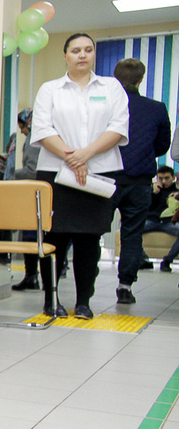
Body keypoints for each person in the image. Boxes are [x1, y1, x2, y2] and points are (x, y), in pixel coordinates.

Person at [31, 33, 129, 319]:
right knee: (54, 238)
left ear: (94, 54)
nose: (82, 55)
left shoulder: (111, 87)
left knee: (89, 240)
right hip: (55, 172)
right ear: (65, 55)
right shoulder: (50, 89)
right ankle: (51, 299)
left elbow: (118, 127)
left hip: (99, 172)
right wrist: (73, 159)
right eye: (76, 50)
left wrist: (84, 155)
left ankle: (84, 302)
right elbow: (43, 129)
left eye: (88, 49)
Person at [111, 58, 172, 303]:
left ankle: (86, 288)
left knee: (95, 231)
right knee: (133, 234)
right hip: (140, 181)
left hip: (106, 179)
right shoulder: (157, 108)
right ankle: (125, 287)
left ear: (115, 79)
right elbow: (162, 145)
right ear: (141, 79)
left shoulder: (105, 105)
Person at [10, 109, 44, 291]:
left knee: (31, 237)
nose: (22, 131)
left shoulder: (33, 140)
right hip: (45, 194)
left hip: (35, 195)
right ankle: (37, 277)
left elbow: (32, 171)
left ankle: (31, 276)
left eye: (22, 126)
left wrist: (10, 174)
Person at [144, 165, 179, 270]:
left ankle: (167, 261)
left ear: (173, 178)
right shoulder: (152, 189)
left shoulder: (176, 191)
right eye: (161, 178)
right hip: (152, 220)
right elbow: (145, 206)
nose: (163, 181)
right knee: (130, 230)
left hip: (169, 222)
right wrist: (154, 194)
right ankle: (143, 260)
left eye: (167, 178)